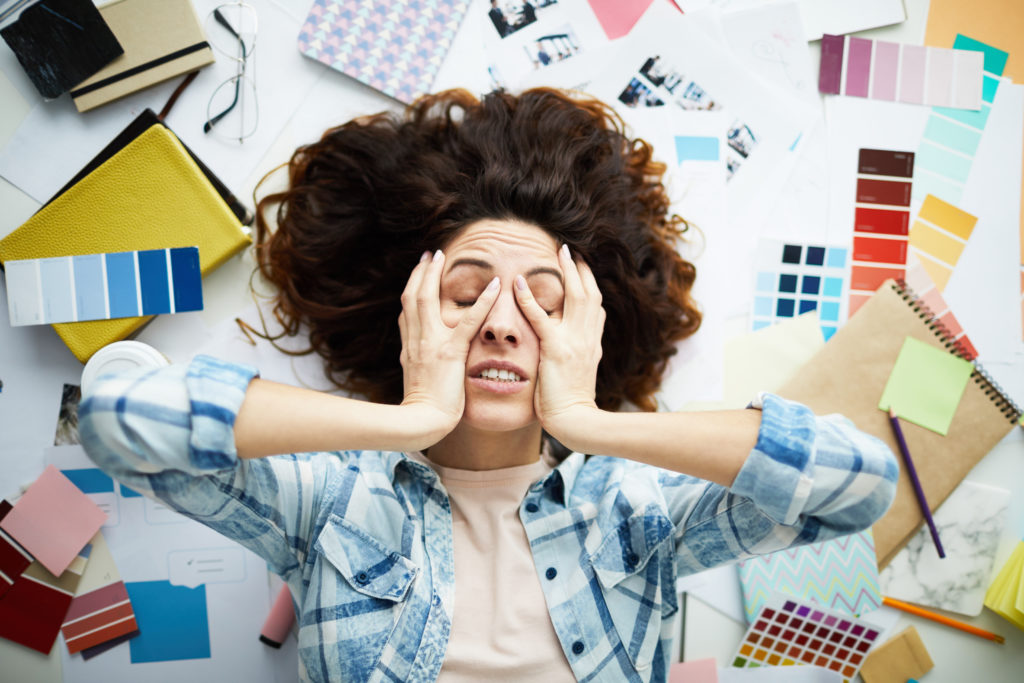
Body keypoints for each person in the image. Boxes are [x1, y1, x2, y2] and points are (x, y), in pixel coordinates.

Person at [79, 88, 897, 683]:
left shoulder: (640, 510)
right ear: (410, 317)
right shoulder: (331, 498)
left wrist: (589, 422)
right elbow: (119, 417)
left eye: (544, 305)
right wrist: (409, 419)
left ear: (584, 334)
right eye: (466, 297)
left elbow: (859, 484)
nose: (503, 324)